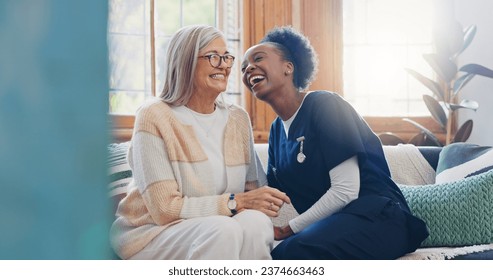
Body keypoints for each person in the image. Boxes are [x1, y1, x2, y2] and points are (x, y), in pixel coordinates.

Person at [241, 26, 429, 260]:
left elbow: (345, 191)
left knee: (290, 254)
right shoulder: (277, 131)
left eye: (258, 58)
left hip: (379, 219)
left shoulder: (325, 104)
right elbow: (266, 193)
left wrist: (287, 229)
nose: (249, 67)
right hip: (333, 225)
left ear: (288, 67)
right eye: (243, 67)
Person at [110, 25, 290, 260]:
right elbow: (164, 209)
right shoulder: (154, 115)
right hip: (152, 234)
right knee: (222, 229)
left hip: (219, 227)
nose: (224, 65)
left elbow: (253, 191)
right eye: (213, 57)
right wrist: (235, 203)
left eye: (227, 57)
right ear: (185, 62)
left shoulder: (237, 118)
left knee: (256, 222)